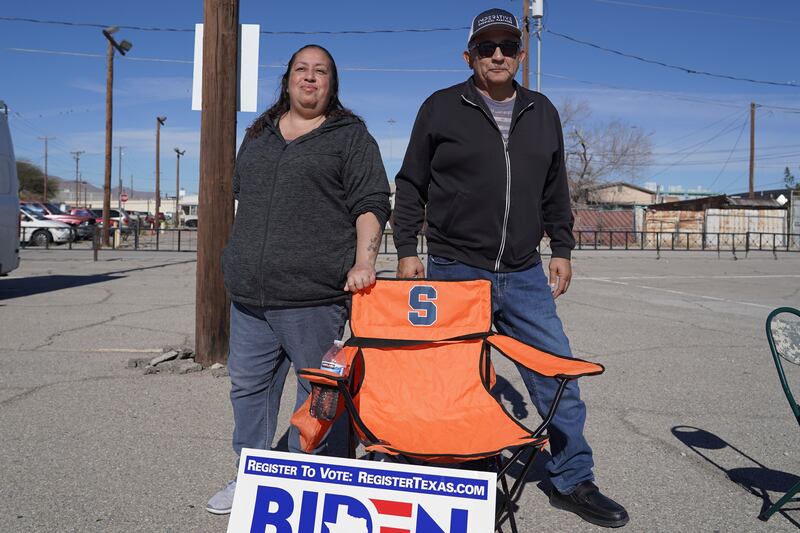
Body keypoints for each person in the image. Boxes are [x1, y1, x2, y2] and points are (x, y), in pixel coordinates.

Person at [392, 8, 629, 528]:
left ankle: (573, 478)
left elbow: (555, 189)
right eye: (486, 46)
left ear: (521, 54)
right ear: (469, 56)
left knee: (556, 375)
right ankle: (471, 479)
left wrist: (562, 249)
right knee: (458, 380)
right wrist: (406, 247)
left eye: (507, 46)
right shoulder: (440, 107)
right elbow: (410, 183)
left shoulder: (541, 110)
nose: (497, 54)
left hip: (523, 272)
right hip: (455, 268)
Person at [206, 44, 391, 515]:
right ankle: (251, 475)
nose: (310, 79)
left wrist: (363, 261)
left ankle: (315, 487)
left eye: (321, 72)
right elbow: (244, 201)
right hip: (250, 297)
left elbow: (371, 204)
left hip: (314, 298)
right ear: (287, 79)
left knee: (319, 395)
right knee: (248, 389)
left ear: (333, 83)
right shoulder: (259, 134)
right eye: (302, 70)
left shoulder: (350, 136)